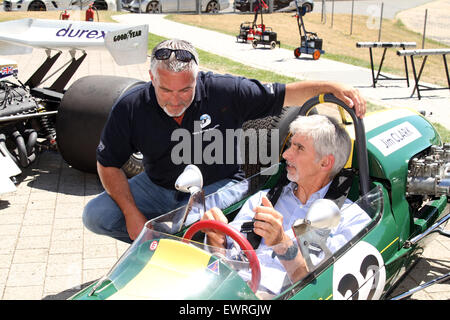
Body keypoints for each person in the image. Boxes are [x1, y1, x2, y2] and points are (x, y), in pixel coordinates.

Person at [82, 38, 366, 243]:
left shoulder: (224, 90)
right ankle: (154, 246)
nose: (175, 100)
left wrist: (331, 87)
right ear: (151, 78)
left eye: (186, 90)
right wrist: (132, 213)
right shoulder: (130, 107)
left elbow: (286, 94)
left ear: (198, 78)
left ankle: (172, 250)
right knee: (95, 216)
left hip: (221, 182)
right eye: (165, 89)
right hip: (156, 184)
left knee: (193, 223)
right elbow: (107, 165)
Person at [200, 114, 372, 295]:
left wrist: (282, 244)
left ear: (325, 162)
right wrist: (216, 238)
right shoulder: (262, 199)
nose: (285, 154)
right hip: (229, 289)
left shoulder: (352, 219)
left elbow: (322, 288)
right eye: (290, 145)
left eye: (299, 148)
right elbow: (222, 260)